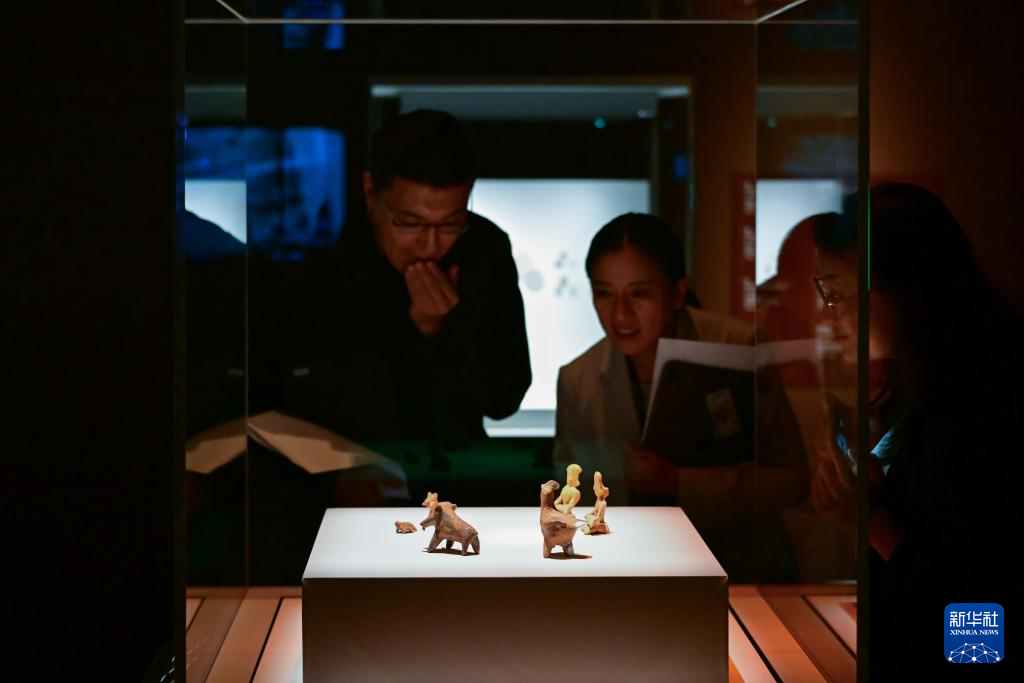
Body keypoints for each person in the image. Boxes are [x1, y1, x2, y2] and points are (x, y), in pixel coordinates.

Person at [810, 183, 1023, 677]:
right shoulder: (921, 386)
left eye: (837, 293)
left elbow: (983, 633)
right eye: (824, 294)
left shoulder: (988, 403)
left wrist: (872, 521)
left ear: (910, 289)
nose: (826, 314)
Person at [554, 212, 807, 580]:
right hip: (630, 572)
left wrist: (679, 482)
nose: (621, 313)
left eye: (639, 293)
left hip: (742, 567)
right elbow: (568, 499)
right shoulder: (579, 379)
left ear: (676, 293)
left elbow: (793, 481)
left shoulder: (735, 348)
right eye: (605, 293)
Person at [271, 109, 532, 451]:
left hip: (452, 464)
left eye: (451, 223)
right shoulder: (322, 254)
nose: (430, 244)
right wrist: (416, 332)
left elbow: (504, 399)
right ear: (370, 191)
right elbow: (307, 398)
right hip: (336, 465)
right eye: (410, 223)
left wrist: (442, 332)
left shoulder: (483, 248)